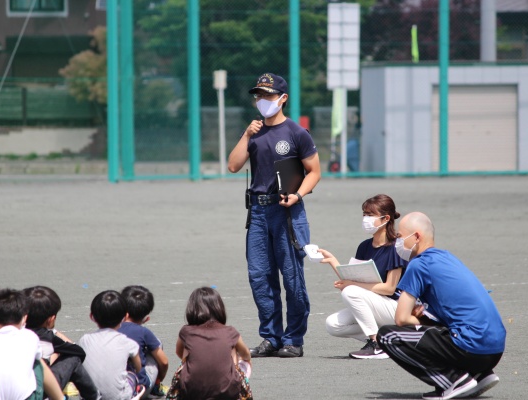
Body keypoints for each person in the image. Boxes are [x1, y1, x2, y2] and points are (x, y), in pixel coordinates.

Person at [227, 72, 321, 358]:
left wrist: (298, 194)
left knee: (292, 277)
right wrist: (246, 134)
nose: (262, 101)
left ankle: (294, 339)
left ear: (283, 99)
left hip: (287, 211)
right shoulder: (253, 133)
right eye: (259, 95)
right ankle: (271, 337)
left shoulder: (296, 133)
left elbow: (314, 171)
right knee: (259, 275)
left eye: (268, 95)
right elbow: (232, 166)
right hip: (257, 211)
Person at [376, 212, 506, 400]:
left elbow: (401, 318)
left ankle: (452, 380)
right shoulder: (448, 258)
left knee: (388, 336)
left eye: (400, 236)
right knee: (435, 329)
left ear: (417, 237)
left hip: (471, 347)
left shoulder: (419, 265)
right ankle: (479, 374)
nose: (397, 242)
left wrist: (420, 320)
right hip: (493, 349)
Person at [318, 194, 407, 359]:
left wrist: (352, 284)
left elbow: (389, 288)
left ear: (386, 218)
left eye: (370, 215)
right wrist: (332, 261)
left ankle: (376, 344)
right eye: (364, 214)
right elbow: (355, 278)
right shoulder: (365, 246)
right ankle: (388, 342)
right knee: (333, 324)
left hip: (396, 308)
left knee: (351, 291)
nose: (365, 218)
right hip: (376, 303)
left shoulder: (396, 247)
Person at [166, 286, 252, 400]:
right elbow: (246, 354)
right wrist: (239, 361)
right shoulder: (230, 331)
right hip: (227, 391)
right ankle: (241, 394)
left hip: (191, 390)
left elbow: (179, 353)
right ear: (219, 308)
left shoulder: (186, 331)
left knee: (187, 355)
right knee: (236, 353)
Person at [0, 288, 64, 400]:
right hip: (26, 398)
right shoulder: (30, 337)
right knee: (38, 363)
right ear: (24, 318)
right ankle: (60, 398)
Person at [23, 285, 100, 400]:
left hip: (9, 391)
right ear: (51, 319)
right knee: (73, 359)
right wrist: (55, 335)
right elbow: (79, 352)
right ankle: (93, 397)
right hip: (39, 392)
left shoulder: (8, 333)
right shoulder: (48, 338)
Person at [78, 290, 142, 400]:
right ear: (125, 317)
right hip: (118, 397)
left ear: (92, 316)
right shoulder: (126, 342)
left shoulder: (84, 340)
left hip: (89, 396)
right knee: (132, 373)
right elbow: (138, 367)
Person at [118, 285, 169, 397]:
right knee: (157, 344)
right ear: (146, 317)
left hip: (113, 387)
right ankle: (156, 386)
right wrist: (159, 378)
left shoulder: (111, 329)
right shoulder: (143, 332)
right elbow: (164, 362)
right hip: (139, 390)